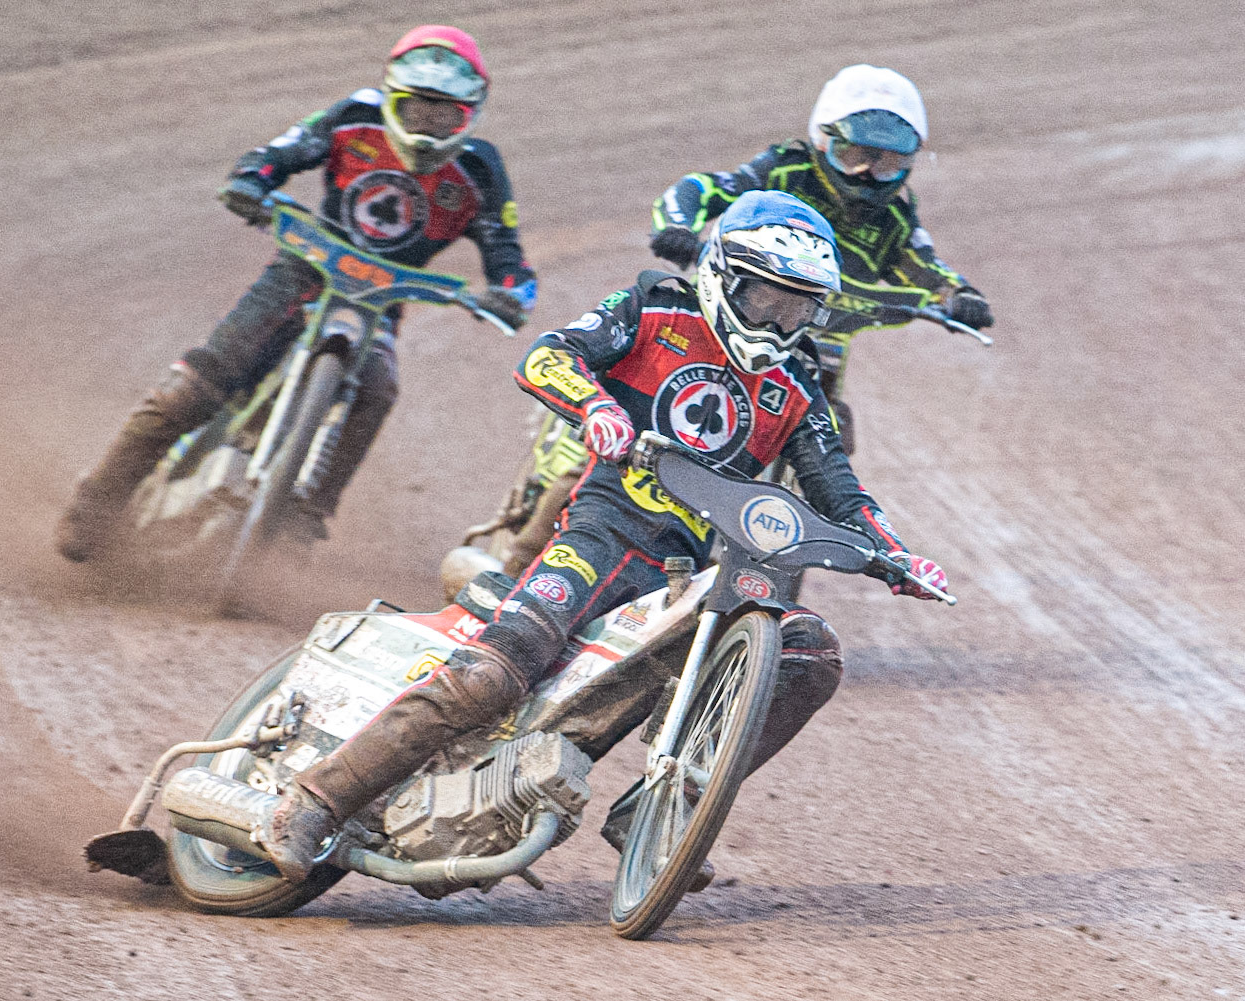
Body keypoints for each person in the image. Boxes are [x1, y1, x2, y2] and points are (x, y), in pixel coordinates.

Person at [258, 190, 948, 882]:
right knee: (497, 670)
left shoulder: (796, 384)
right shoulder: (653, 307)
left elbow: (838, 487)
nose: (779, 320)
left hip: (688, 572)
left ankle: (660, 812)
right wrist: (594, 406)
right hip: (599, 532)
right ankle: (317, 799)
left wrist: (896, 554)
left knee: (809, 650)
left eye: (798, 307)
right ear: (722, 275)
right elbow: (548, 355)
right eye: (767, 298)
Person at [57, 25, 536, 561]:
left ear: (470, 114)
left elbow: (505, 247)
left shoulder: (480, 168)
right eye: (416, 109)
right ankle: (98, 500)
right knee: (199, 382)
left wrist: (512, 293)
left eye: (445, 114)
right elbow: (281, 152)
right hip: (304, 269)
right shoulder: (356, 115)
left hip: (380, 299)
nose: (427, 125)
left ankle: (303, 520)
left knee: (376, 391)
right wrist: (251, 183)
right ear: (392, 97)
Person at [649, 64, 991, 453]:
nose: (867, 174)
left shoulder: (894, 219)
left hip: (820, 344)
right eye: (856, 156)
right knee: (637, 390)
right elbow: (700, 188)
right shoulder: (784, 172)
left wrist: (957, 294)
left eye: (888, 164)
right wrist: (676, 227)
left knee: (832, 438)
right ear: (823, 141)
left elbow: (924, 266)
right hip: (726, 311)